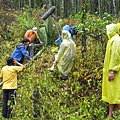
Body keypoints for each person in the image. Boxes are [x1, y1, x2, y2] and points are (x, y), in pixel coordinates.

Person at [102, 23, 120, 118]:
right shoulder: (112, 40)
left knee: (117, 94)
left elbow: (116, 57)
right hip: (111, 72)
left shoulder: (116, 40)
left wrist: (113, 70)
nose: (106, 32)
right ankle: (110, 114)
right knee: (111, 94)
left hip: (116, 73)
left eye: (107, 30)